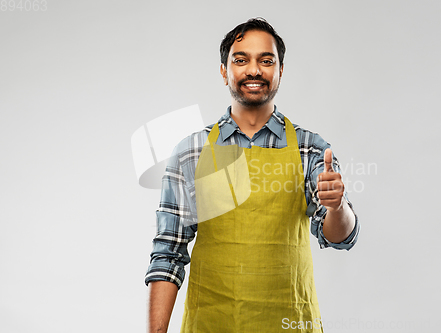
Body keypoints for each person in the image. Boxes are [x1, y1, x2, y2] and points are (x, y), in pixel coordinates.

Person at [146, 18, 359, 333]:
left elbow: (341, 237)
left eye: (266, 60)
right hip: (211, 324)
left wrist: (338, 206)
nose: (254, 70)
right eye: (241, 59)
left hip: (290, 323)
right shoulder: (191, 152)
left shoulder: (310, 149)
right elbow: (168, 252)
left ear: (280, 71)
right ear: (224, 71)